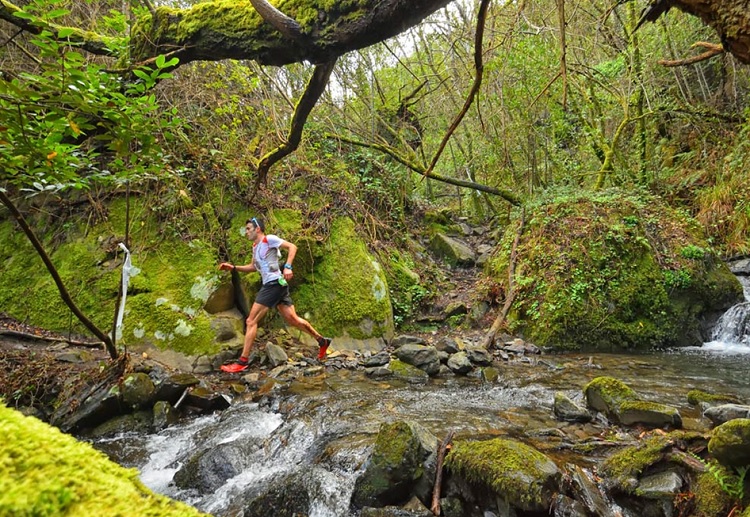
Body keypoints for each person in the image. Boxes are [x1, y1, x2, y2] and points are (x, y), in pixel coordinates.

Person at [218, 217, 331, 372]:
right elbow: (253, 267)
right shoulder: (255, 247)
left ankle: (242, 362)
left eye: (249, 229)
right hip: (277, 285)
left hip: (273, 284)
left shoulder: (269, 239)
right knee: (293, 319)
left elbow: (292, 247)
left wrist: (288, 267)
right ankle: (322, 341)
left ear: (257, 229)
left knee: (251, 321)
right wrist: (234, 268)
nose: (246, 232)